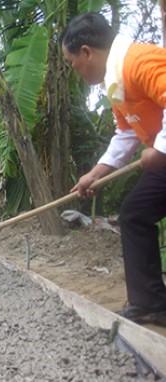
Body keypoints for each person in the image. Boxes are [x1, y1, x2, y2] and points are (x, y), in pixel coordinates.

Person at [61, 12, 166, 323]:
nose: (74, 70)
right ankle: (151, 303)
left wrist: (159, 149)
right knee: (135, 214)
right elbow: (127, 133)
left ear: (86, 53)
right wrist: (95, 175)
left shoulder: (140, 62)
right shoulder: (117, 83)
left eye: (71, 62)